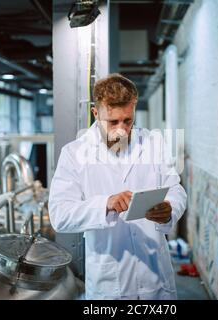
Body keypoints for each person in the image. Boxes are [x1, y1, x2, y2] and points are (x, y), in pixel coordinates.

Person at [48, 73, 187, 300]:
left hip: (156, 277)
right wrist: (105, 204)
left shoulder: (153, 143)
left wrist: (170, 208)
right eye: (113, 122)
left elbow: (175, 188)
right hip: (111, 285)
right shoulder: (74, 154)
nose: (121, 129)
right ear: (95, 113)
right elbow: (59, 215)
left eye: (128, 121)